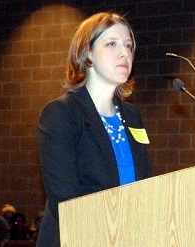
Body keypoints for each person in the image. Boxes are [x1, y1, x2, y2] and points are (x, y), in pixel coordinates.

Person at [36, 12, 152, 247]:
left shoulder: (132, 116)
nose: (125, 53)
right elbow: (66, 202)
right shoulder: (62, 114)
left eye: (129, 46)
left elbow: (144, 189)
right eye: (112, 44)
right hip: (76, 239)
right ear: (87, 54)